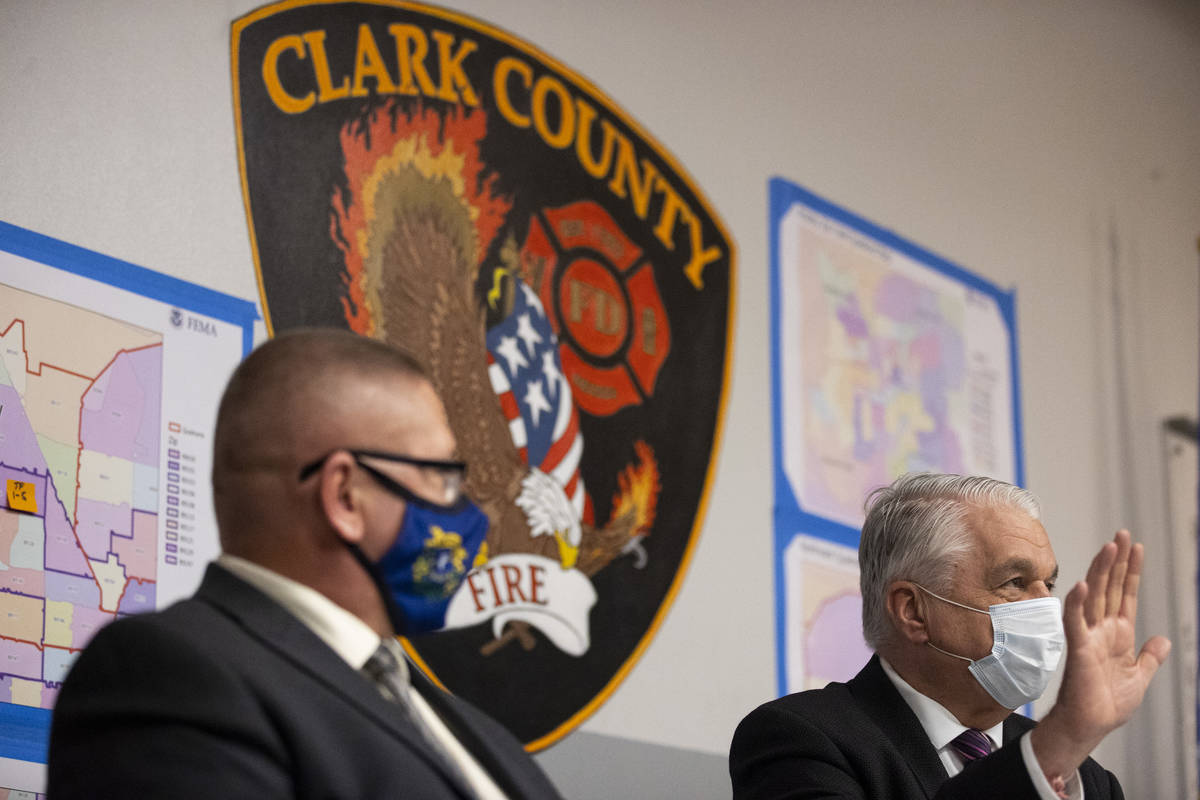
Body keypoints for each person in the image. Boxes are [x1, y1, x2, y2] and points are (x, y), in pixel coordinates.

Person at [48, 329, 563, 799]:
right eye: (442, 476)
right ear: (345, 496)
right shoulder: (164, 678)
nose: (465, 509)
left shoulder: (473, 730)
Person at [729, 473, 1170, 799]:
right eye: (1015, 582)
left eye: (1048, 585)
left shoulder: (1089, 782)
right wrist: (1061, 740)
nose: (1046, 608)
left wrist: (1063, 745)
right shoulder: (801, 740)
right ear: (913, 611)